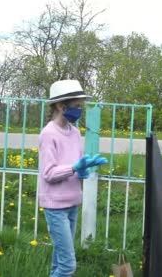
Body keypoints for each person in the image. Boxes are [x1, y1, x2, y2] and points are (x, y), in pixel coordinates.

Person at [38, 79, 108, 277]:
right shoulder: (48, 134)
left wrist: (82, 170)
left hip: (71, 203)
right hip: (55, 207)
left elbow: (73, 165)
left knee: (59, 263)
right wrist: (74, 167)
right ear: (61, 106)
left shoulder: (75, 132)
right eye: (77, 106)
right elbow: (49, 173)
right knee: (68, 265)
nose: (80, 111)